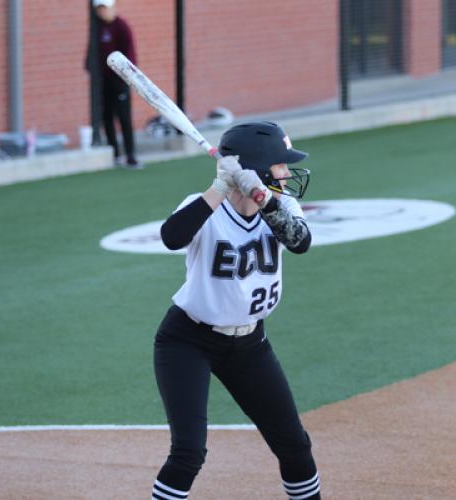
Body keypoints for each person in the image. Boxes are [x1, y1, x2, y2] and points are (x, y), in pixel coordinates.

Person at [152, 121, 321, 499]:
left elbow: (300, 242)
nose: (287, 173)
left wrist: (262, 197)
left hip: (250, 344)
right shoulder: (203, 208)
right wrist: (219, 188)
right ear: (259, 166)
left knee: (295, 445)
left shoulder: (284, 206)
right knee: (188, 453)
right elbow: (171, 237)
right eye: (280, 165)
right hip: (188, 341)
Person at [91, 0, 143, 169]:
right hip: (102, 81)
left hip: (119, 81)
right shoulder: (96, 27)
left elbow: (130, 56)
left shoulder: (121, 26)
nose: (102, 12)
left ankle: (130, 155)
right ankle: (114, 153)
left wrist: (124, 77)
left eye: (105, 8)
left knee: (124, 118)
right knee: (106, 117)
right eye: (99, 9)